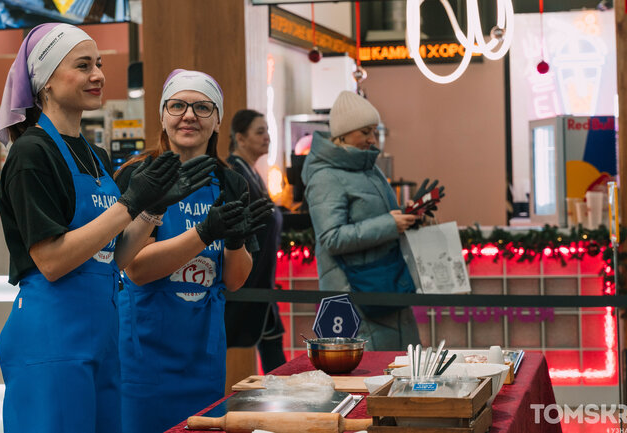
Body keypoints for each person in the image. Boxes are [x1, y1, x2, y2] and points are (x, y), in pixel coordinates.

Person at [0, 25, 214, 433]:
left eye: (99, 64)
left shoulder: (94, 154)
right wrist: (129, 204)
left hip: (101, 339)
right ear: (44, 80)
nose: (98, 75)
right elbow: (53, 260)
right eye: (83, 65)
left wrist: (151, 211)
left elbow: (113, 258)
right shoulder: (32, 153)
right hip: (51, 343)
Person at [115, 69, 273, 433]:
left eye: (203, 107)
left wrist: (233, 241)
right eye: (178, 105)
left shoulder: (231, 182)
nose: (189, 115)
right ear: (163, 115)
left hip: (203, 356)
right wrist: (205, 233)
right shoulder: (137, 177)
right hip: (143, 355)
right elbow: (136, 268)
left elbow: (233, 281)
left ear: (217, 120)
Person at [301, 90, 421, 351]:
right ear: (343, 133)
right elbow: (331, 238)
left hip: (384, 285)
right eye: (365, 132)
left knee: (399, 373)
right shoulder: (325, 177)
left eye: (374, 131)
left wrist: (408, 218)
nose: (372, 139)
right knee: (370, 379)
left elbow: (381, 219)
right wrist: (390, 225)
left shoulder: (369, 168)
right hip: (354, 294)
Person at [225, 109, 286, 373]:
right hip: (245, 286)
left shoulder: (251, 172)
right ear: (240, 138)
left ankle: (285, 408)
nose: (267, 138)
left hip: (262, 285)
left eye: (267, 131)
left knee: (275, 353)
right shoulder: (233, 175)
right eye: (259, 132)